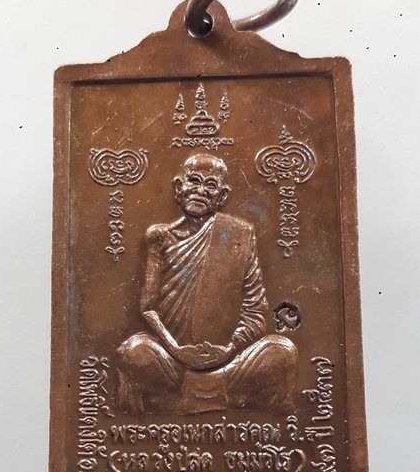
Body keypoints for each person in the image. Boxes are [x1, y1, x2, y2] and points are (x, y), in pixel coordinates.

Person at [115, 153, 298, 414]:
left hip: (229, 362)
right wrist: (177, 350)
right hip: (173, 361)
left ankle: (182, 400)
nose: (200, 191)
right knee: (134, 352)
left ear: (222, 196)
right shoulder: (160, 237)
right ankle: (225, 398)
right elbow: (148, 308)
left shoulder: (239, 235)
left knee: (282, 351)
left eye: (210, 185)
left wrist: (227, 350)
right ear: (178, 188)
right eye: (194, 181)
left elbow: (255, 312)